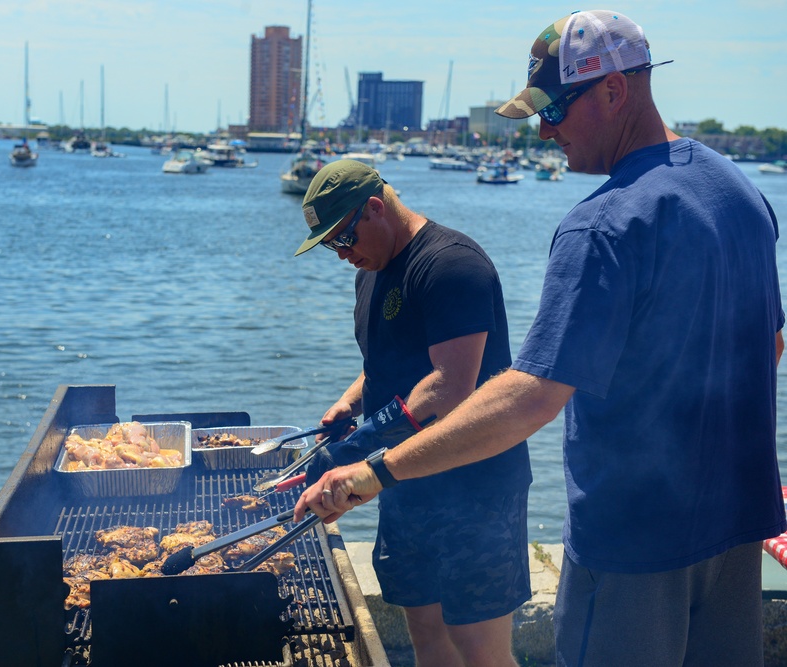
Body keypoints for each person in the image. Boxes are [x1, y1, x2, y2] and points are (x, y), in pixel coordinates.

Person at [296, 10, 785, 667]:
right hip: (733, 529)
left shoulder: (602, 225)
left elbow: (529, 400)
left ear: (614, 92)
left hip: (630, 543)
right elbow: (769, 346)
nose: (543, 129)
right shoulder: (738, 192)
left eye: (553, 107)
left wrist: (376, 470)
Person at [294, 159, 533, 667]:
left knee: (478, 648)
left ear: (375, 209)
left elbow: (450, 385)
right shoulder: (373, 268)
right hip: (403, 476)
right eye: (332, 246)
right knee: (425, 633)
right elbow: (388, 362)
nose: (342, 255)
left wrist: (358, 447)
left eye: (342, 239)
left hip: (476, 485)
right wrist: (349, 404)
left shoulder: (451, 265)